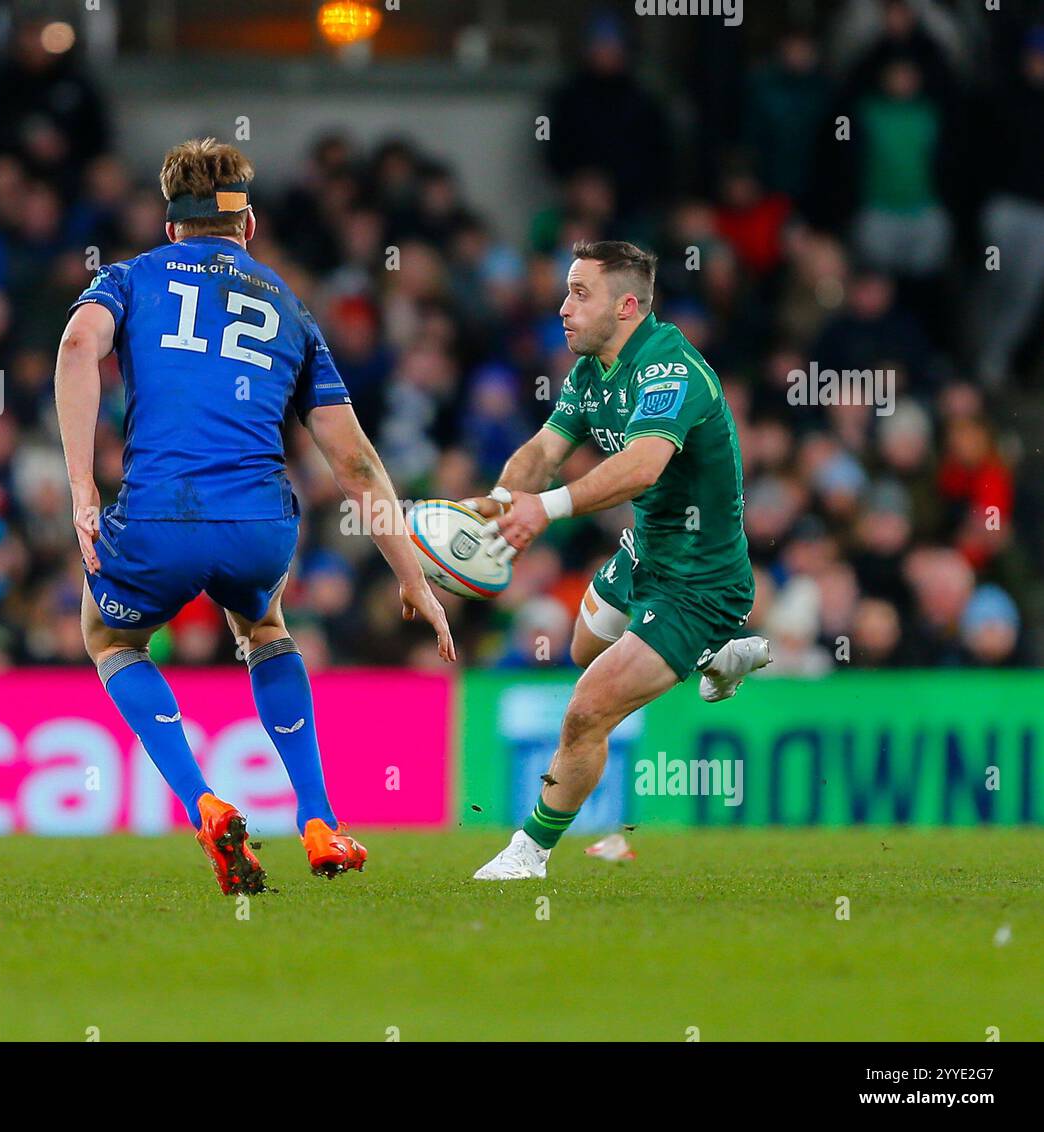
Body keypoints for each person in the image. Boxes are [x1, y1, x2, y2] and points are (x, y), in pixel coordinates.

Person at [54, 138, 455, 895]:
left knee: (108, 635)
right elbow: (358, 464)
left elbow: (78, 343)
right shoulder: (290, 307)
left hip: (159, 518)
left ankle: (203, 801)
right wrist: (417, 579)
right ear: (250, 226)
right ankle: (319, 818)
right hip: (259, 529)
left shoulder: (131, 278)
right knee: (265, 627)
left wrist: (82, 487)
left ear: (172, 226)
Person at [468, 241, 768, 880]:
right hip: (646, 552)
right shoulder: (590, 372)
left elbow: (641, 467)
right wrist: (498, 501)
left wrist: (544, 510)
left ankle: (530, 852)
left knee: (587, 708)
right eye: (565, 292)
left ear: (626, 305)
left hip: (700, 581)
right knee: (584, 650)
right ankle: (715, 655)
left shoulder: (670, 371)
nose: (563, 307)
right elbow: (543, 451)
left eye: (580, 294)